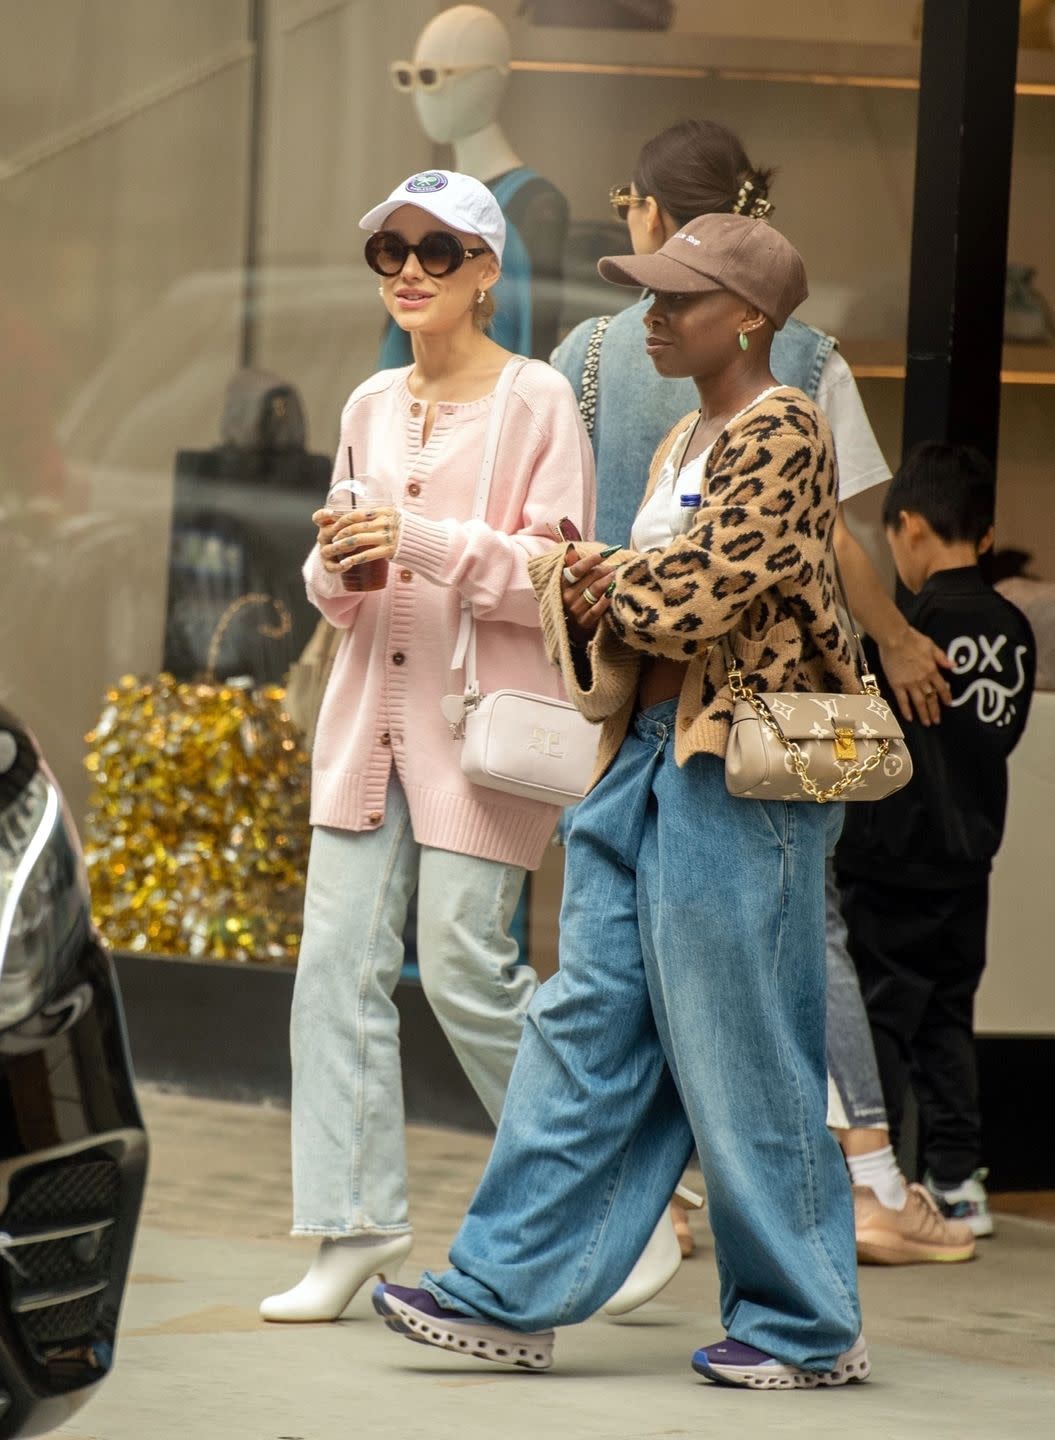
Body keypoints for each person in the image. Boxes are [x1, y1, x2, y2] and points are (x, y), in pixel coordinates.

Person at [375, 213, 870, 1390]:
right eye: (645, 298)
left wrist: (592, 576)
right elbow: (634, 593)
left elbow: (696, 598)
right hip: (641, 752)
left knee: (742, 1040)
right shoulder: (683, 442)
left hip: (732, 770)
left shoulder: (783, 427)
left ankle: (804, 1326)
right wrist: (591, 579)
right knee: (584, 1021)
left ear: (746, 317)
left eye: (674, 300)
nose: (648, 317)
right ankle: (503, 1293)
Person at [553, 116, 967, 1279]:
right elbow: (833, 540)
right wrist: (886, 642)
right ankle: (869, 1177)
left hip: (639, 701)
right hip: (724, 710)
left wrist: (586, 593)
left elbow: (755, 534)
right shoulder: (806, 356)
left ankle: (707, 1224)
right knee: (773, 958)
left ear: (646, 208)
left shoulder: (587, 356)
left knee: (677, 980)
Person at [259, 170, 594, 1322]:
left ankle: (606, 1199)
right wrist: (342, 564)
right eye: (391, 249)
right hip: (367, 727)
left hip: (480, 735)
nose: (409, 267)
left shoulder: (537, 401)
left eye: (437, 250)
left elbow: (554, 580)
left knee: (462, 966)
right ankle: (351, 1226)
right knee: (333, 973)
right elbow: (338, 594)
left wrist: (420, 538)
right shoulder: (365, 404)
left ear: (486, 272)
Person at [836, 444, 1036, 1241]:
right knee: (948, 1013)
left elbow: (870, 739)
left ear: (908, 527)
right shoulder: (1013, 629)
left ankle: (871, 1182)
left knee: (878, 1016)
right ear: (984, 538)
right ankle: (956, 1181)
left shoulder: (909, 629)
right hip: (968, 858)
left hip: (889, 856)